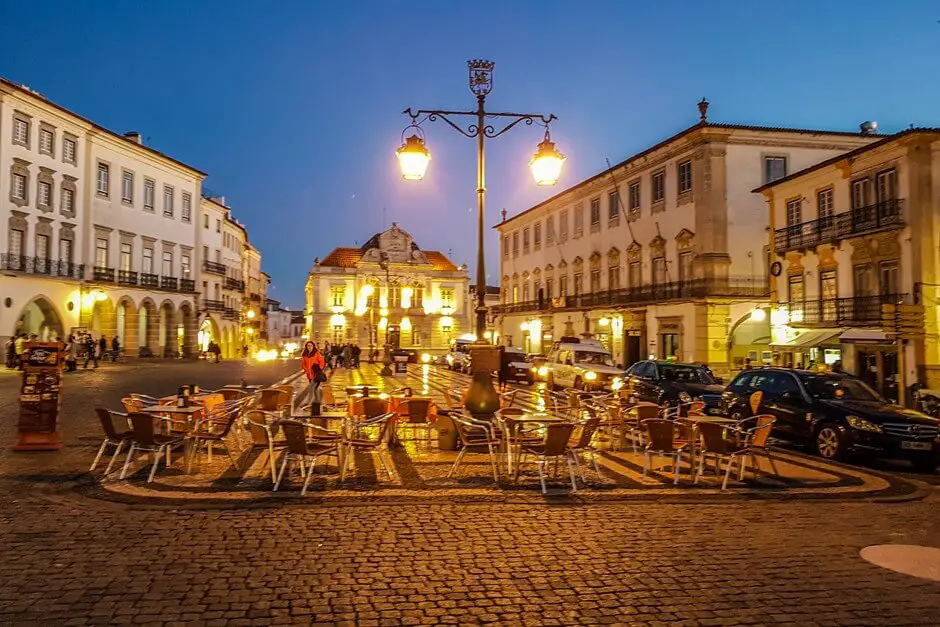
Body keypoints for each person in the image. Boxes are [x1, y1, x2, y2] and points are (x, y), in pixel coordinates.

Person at [299, 341, 327, 416]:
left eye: (310, 345)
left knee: (312, 388)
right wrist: (306, 371)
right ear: (306, 347)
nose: (309, 347)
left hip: (316, 375)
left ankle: (308, 402)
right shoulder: (305, 355)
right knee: (316, 389)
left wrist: (319, 369)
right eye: (308, 346)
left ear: (313, 346)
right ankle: (319, 402)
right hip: (309, 375)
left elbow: (322, 361)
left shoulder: (316, 353)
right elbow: (303, 364)